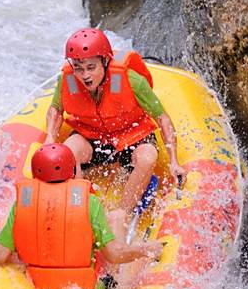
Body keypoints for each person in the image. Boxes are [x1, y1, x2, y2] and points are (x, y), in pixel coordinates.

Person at [44, 28, 185, 218]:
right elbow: (55, 110)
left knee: (148, 157)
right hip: (91, 136)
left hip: (131, 136)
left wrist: (174, 161)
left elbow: (162, 118)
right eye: (78, 68)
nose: (84, 75)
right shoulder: (67, 81)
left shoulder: (132, 81)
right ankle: (83, 208)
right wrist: (50, 138)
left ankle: (122, 213)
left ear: (105, 61)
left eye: (91, 67)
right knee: (68, 151)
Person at [0, 143, 162, 289]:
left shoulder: (21, 204)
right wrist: (146, 250)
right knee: (118, 222)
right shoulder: (89, 203)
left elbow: (1, 255)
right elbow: (115, 254)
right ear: (72, 170)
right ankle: (127, 274)